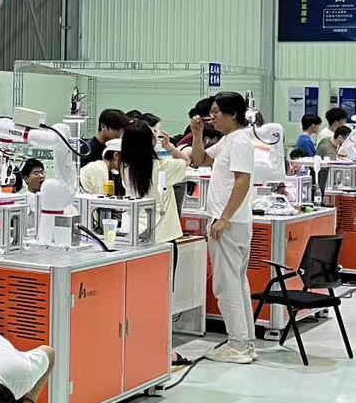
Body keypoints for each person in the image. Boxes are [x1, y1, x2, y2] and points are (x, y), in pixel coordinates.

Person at [190, 92, 257, 364]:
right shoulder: (228, 139)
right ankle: (245, 341)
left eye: (217, 111)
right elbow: (200, 160)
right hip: (231, 221)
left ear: (232, 114)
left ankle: (238, 345)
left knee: (226, 285)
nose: (212, 116)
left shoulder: (240, 140)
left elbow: (242, 181)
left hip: (229, 223)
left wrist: (224, 218)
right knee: (237, 284)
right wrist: (197, 134)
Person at [99, 120, 191, 242]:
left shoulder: (124, 167)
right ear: (151, 141)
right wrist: (169, 147)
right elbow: (186, 161)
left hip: (133, 229)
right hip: (162, 232)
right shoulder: (164, 166)